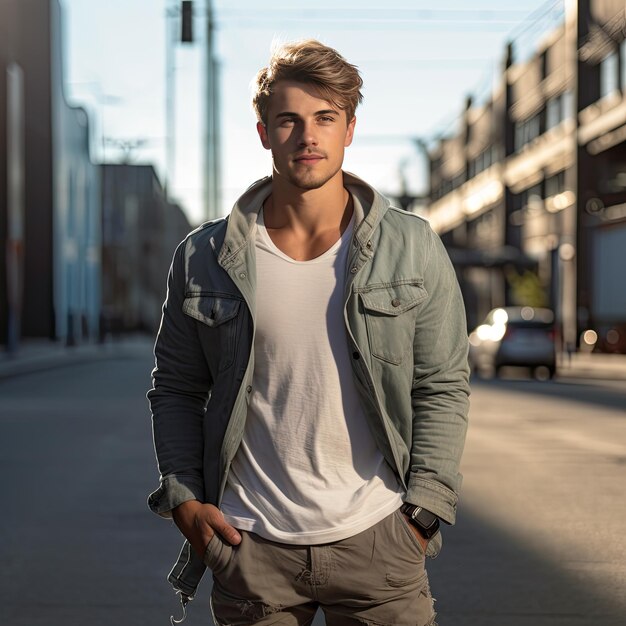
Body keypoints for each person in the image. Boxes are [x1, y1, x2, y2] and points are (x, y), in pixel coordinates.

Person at [148, 39, 470, 626]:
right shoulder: (203, 256)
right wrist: (186, 501)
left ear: (350, 128)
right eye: (289, 120)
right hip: (251, 545)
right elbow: (175, 388)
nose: (307, 136)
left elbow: (442, 385)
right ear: (264, 132)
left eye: (325, 118)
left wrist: (424, 508)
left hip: (380, 540)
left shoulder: (413, 247)